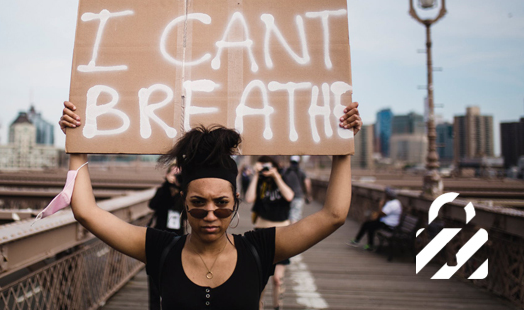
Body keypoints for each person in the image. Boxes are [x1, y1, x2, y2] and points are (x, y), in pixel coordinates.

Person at [58, 100, 361, 310]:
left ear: (237, 202)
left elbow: (333, 215)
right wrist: (77, 144)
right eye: (198, 204)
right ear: (184, 203)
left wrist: (341, 146)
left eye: (222, 204)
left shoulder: (259, 248)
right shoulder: (160, 249)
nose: (211, 214)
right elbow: (86, 211)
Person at [244, 156, 293, 310]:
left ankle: (278, 306)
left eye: (268, 166)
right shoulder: (259, 181)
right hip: (262, 232)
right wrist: (256, 175)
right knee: (262, 279)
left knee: (277, 279)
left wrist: (276, 176)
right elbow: (249, 198)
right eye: (263, 166)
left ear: (275, 167)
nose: (266, 169)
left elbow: (289, 196)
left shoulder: (283, 178)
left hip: (282, 232)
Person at [147, 164, 185, 309]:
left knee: (174, 277)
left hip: (178, 239)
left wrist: (180, 188)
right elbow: (153, 205)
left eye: (179, 174)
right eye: (173, 174)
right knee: (155, 277)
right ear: (167, 174)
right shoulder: (162, 190)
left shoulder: (185, 193)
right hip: (159, 237)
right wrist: (166, 186)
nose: (176, 177)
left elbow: (186, 212)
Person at [282, 156, 312, 224]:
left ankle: (288, 231)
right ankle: (293, 232)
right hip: (298, 196)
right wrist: (308, 195)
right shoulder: (301, 171)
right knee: (295, 216)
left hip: (286, 197)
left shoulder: (285, 171)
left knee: (288, 215)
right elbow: (307, 183)